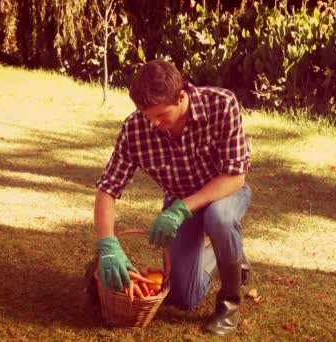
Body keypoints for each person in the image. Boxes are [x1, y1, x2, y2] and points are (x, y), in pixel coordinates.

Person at [93, 60, 252, 336]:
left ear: (181, 97)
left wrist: (181, 209)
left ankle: (229, 303)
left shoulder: (222, 104)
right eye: (146, 115)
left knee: (220, 217)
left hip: (225, 193)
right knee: (183, 298)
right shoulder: (135, 130)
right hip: (179, 203)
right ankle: (226, 253)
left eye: (161, 115)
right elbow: (108, 188)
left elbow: (236, 176)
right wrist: (107, 243)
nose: (153, 124)